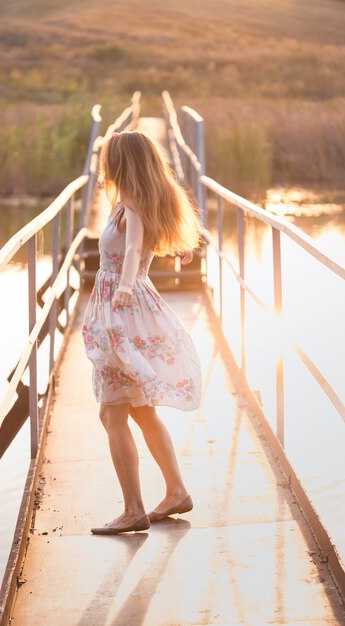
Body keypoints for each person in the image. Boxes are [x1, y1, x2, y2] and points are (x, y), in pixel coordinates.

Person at [81, 130, 202, 535]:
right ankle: (177, 491)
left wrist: (126, 287)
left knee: (112, 411)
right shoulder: (133, 202)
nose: (105, 165)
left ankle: (133, 510)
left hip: (123, 311)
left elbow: (133, 250)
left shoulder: (131, 203)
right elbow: (144, 243)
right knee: (140, 409)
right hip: (124, 308)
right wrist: (179, 249)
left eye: (110, 158)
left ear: (123, 162)